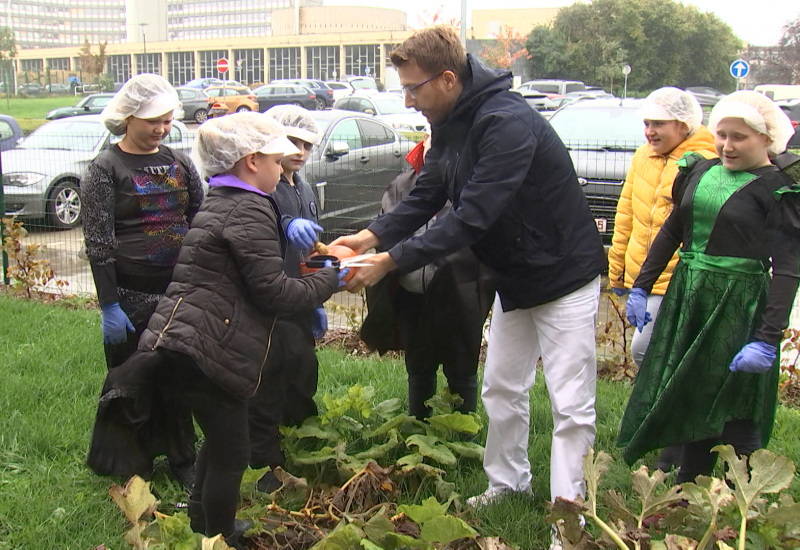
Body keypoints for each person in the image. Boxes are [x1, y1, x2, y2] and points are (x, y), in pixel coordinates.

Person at [330, 26, 606, 542]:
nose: (408, 100)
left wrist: (389, 261)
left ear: (449, 78)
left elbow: (471, 216)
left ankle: (570, 516)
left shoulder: (506, 123)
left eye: (414, 88)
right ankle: (508, 483)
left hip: (562, 273)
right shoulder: (449, 121)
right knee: (501, 386)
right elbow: (427, 194)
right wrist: (367, 237)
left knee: (570, 403)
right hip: (513, 276)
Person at [98, 112, 347, 548]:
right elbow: (274, 292)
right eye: (275, 160)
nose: (281, 168)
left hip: (182, 344)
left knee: (217, 436)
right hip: (208, 351)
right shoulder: (250, 208)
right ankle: (221, 535)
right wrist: (331, 279)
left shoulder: (222, 199)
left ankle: (200, 519)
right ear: (251, 161)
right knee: (232, 451)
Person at [618, 91, 799, 484]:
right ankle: (687, 480)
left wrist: (768, 338)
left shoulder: (778, 189)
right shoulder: (700, 171)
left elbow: (787, 269)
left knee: (735, 396)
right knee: (691, 387)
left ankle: (743, 492)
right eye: (722, 135)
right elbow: (672, 231)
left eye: (739, 137)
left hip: (738, 304)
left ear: (766, 138)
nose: (727, 146)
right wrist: (641, 285)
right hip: (689, 295)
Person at [84, 73, 204, 488]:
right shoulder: (104, 170)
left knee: (177, 382)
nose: (161, 129)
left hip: (176, 294)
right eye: (153, 120)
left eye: (168, 121)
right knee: (132, 382)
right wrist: (109, 304)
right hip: (129, 297)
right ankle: (132, 463)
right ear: (128, 116)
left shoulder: (179, 162)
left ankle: (183, 459)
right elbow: (98, 242)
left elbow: (199, 219)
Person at [607, 87, 717, 471]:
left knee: (656, 353)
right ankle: (661, 426)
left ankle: (668, 431)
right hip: (645, 278)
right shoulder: (643, 157)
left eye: (658, 124)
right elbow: (626, 214)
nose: (649, 132)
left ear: (683, 124)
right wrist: (619, 271)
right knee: (649, 352)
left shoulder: (704, 160)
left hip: (682, 279)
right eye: (646, 123)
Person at [359, 135, 495, 418]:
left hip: (458, 293)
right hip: (412, 294)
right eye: (432, 151)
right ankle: (418, 427)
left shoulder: (471, 188)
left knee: (461, 366)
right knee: (418, 364)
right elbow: (389, 225)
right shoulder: (402, 185)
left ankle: (462, 434)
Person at [247, 105, 328, 493]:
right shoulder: (263, 183)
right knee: (266, 379)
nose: (299, 151)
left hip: (299, 295)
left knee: (302, 371)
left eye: (307, 145)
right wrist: (284, 223)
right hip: (265, 301)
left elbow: (311, 249)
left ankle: (302, 442)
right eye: (292, 142)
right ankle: (264, 462)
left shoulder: (306, 188)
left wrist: (318, 295)